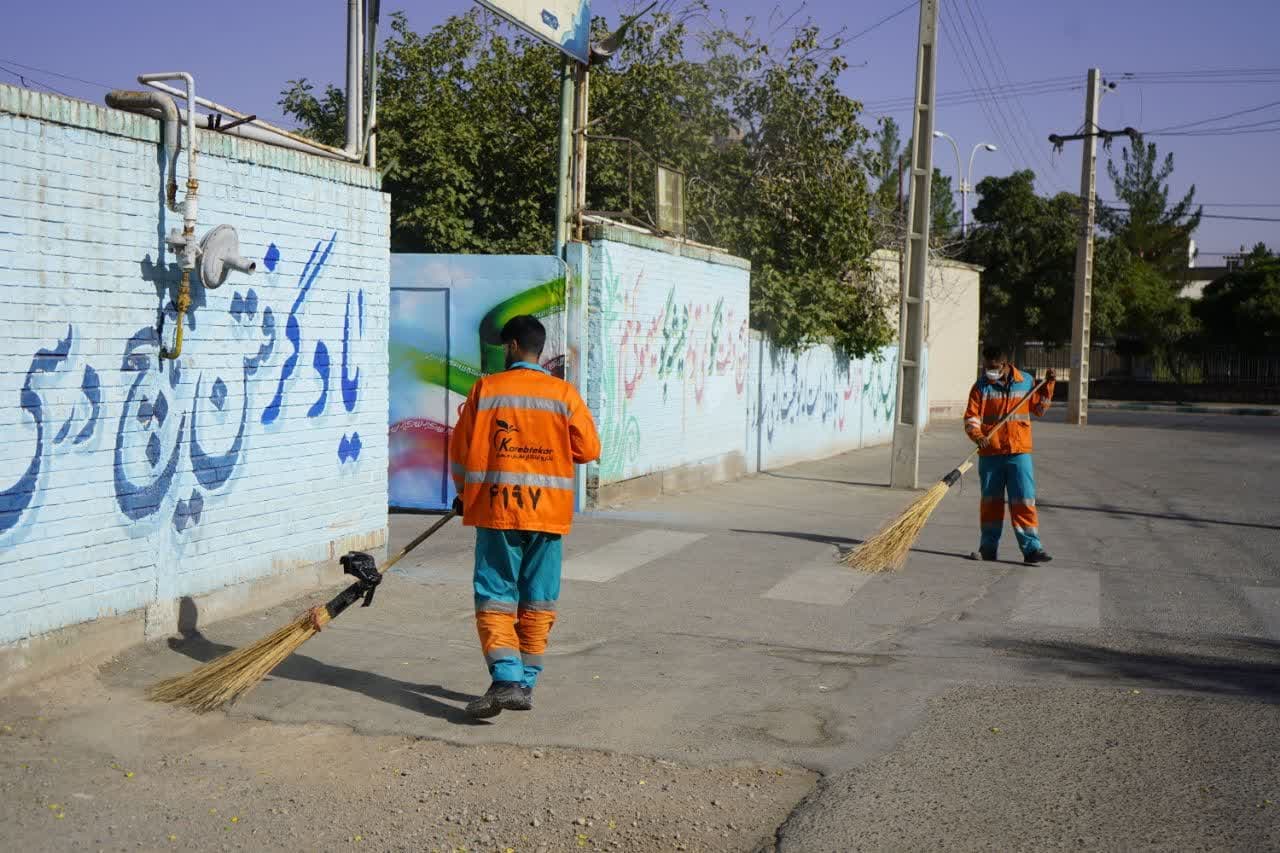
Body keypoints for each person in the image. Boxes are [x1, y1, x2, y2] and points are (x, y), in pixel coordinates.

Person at [449, 315, 601, 718]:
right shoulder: (563, 394)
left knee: (496, 595)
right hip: (547, 516)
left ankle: (506, 679)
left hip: (498, 511)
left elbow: (461, 453)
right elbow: (588, 450)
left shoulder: (487, 389)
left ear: (513, 346)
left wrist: (465, 494)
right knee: (538, 600)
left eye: (503, 347)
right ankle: (523, 685)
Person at [963, 345, 1056, 564]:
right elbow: (971, 418)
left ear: (1005, 364)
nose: (989, 371)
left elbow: (1040, 409)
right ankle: (988, 549)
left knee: (1023, 500)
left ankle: (1032, 549)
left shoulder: (1025, 381)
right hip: (990, 453)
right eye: (986, 367)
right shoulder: (980, 387)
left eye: (993, 367)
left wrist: (1049, 384)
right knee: (991, 503)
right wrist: (977, 435)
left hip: (1019, 452)